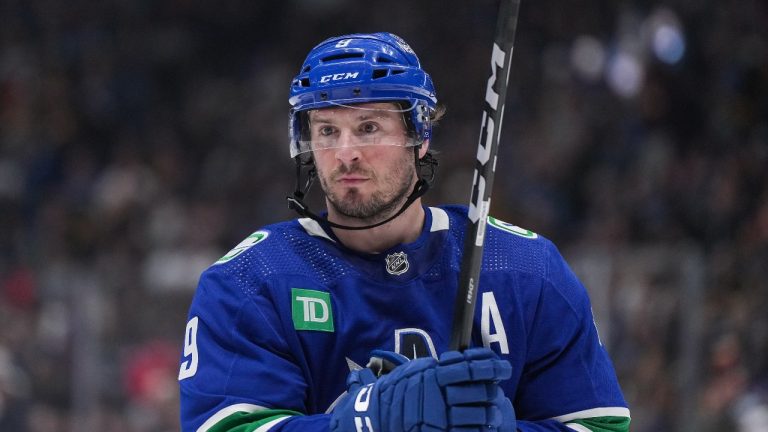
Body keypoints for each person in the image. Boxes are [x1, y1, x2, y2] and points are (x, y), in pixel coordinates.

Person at [178, 32, 631, 432]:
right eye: (327, 130)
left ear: (420, 133)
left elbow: (598, 424)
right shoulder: (250, 282)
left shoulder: (524, 269)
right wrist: (365, 422)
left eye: (369, 127)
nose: (346, 153)